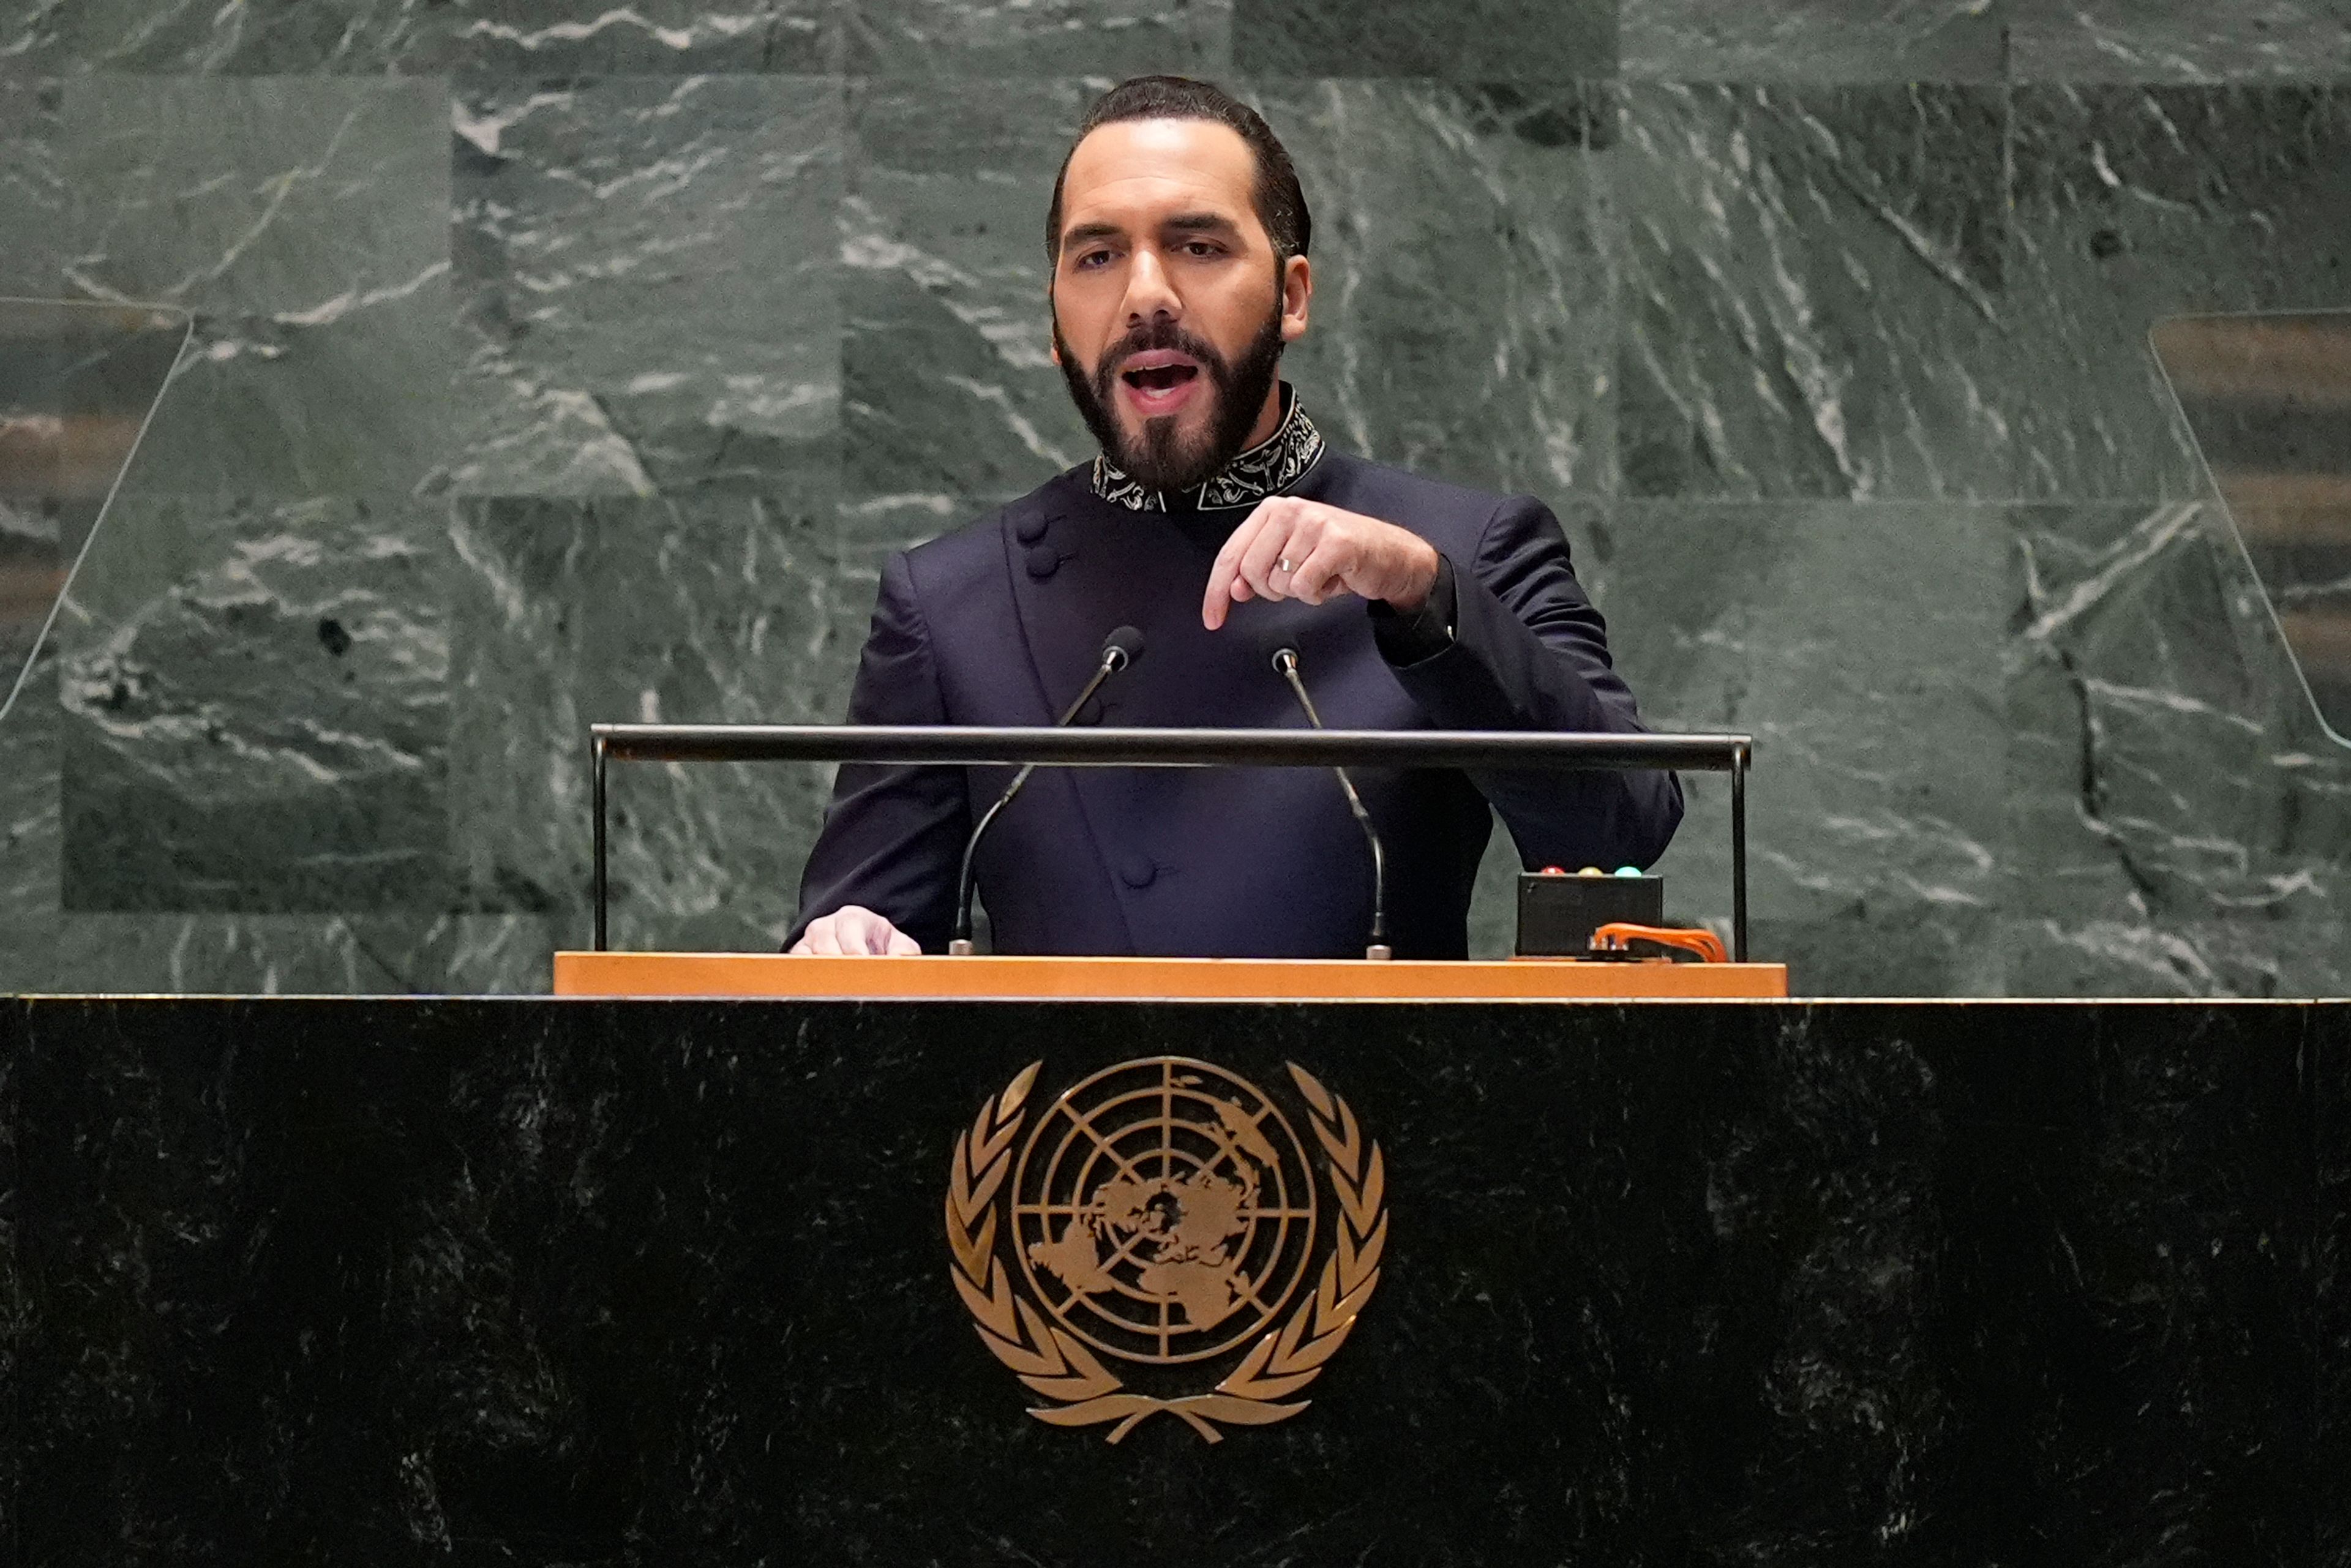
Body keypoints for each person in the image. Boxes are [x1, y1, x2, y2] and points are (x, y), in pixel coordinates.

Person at [788, 75, 1680, 959]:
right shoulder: (949, 603)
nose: (1146, 296)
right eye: (1097, 256)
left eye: (1199, 247)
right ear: (1057, 324)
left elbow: (1622, 828)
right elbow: (854, 936)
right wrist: (844, 940)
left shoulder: (1465, 553)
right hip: (1068, 1106)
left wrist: (1422, 594)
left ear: (1293, 296)